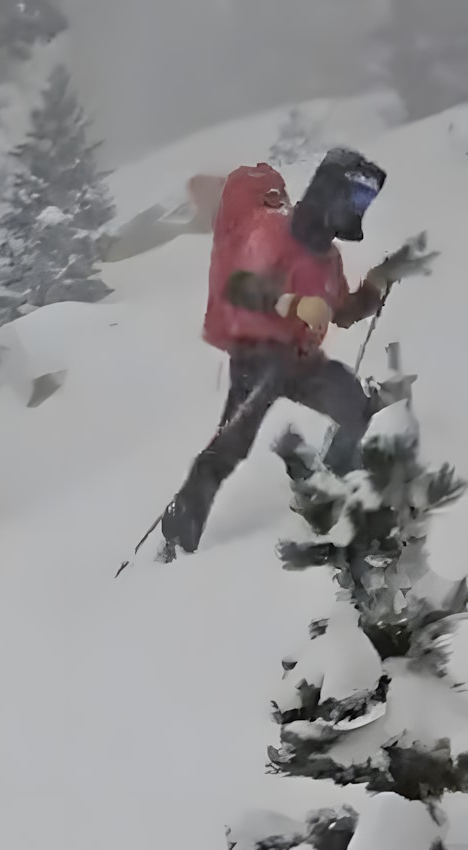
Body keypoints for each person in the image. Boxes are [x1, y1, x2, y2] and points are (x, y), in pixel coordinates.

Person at [159, 147, 436, 560]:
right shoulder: (271, 230)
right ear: (330, 195)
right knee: (231, 445)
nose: (356, 208)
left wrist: (380, 279)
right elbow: (241, 287)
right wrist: (293, 304)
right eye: (353, 199)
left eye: (362, 203)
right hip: (257, 358)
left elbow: (341, 311)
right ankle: (179, 529)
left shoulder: (330, 259)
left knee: (357, 408)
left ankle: (346, 487)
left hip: (303, 363)